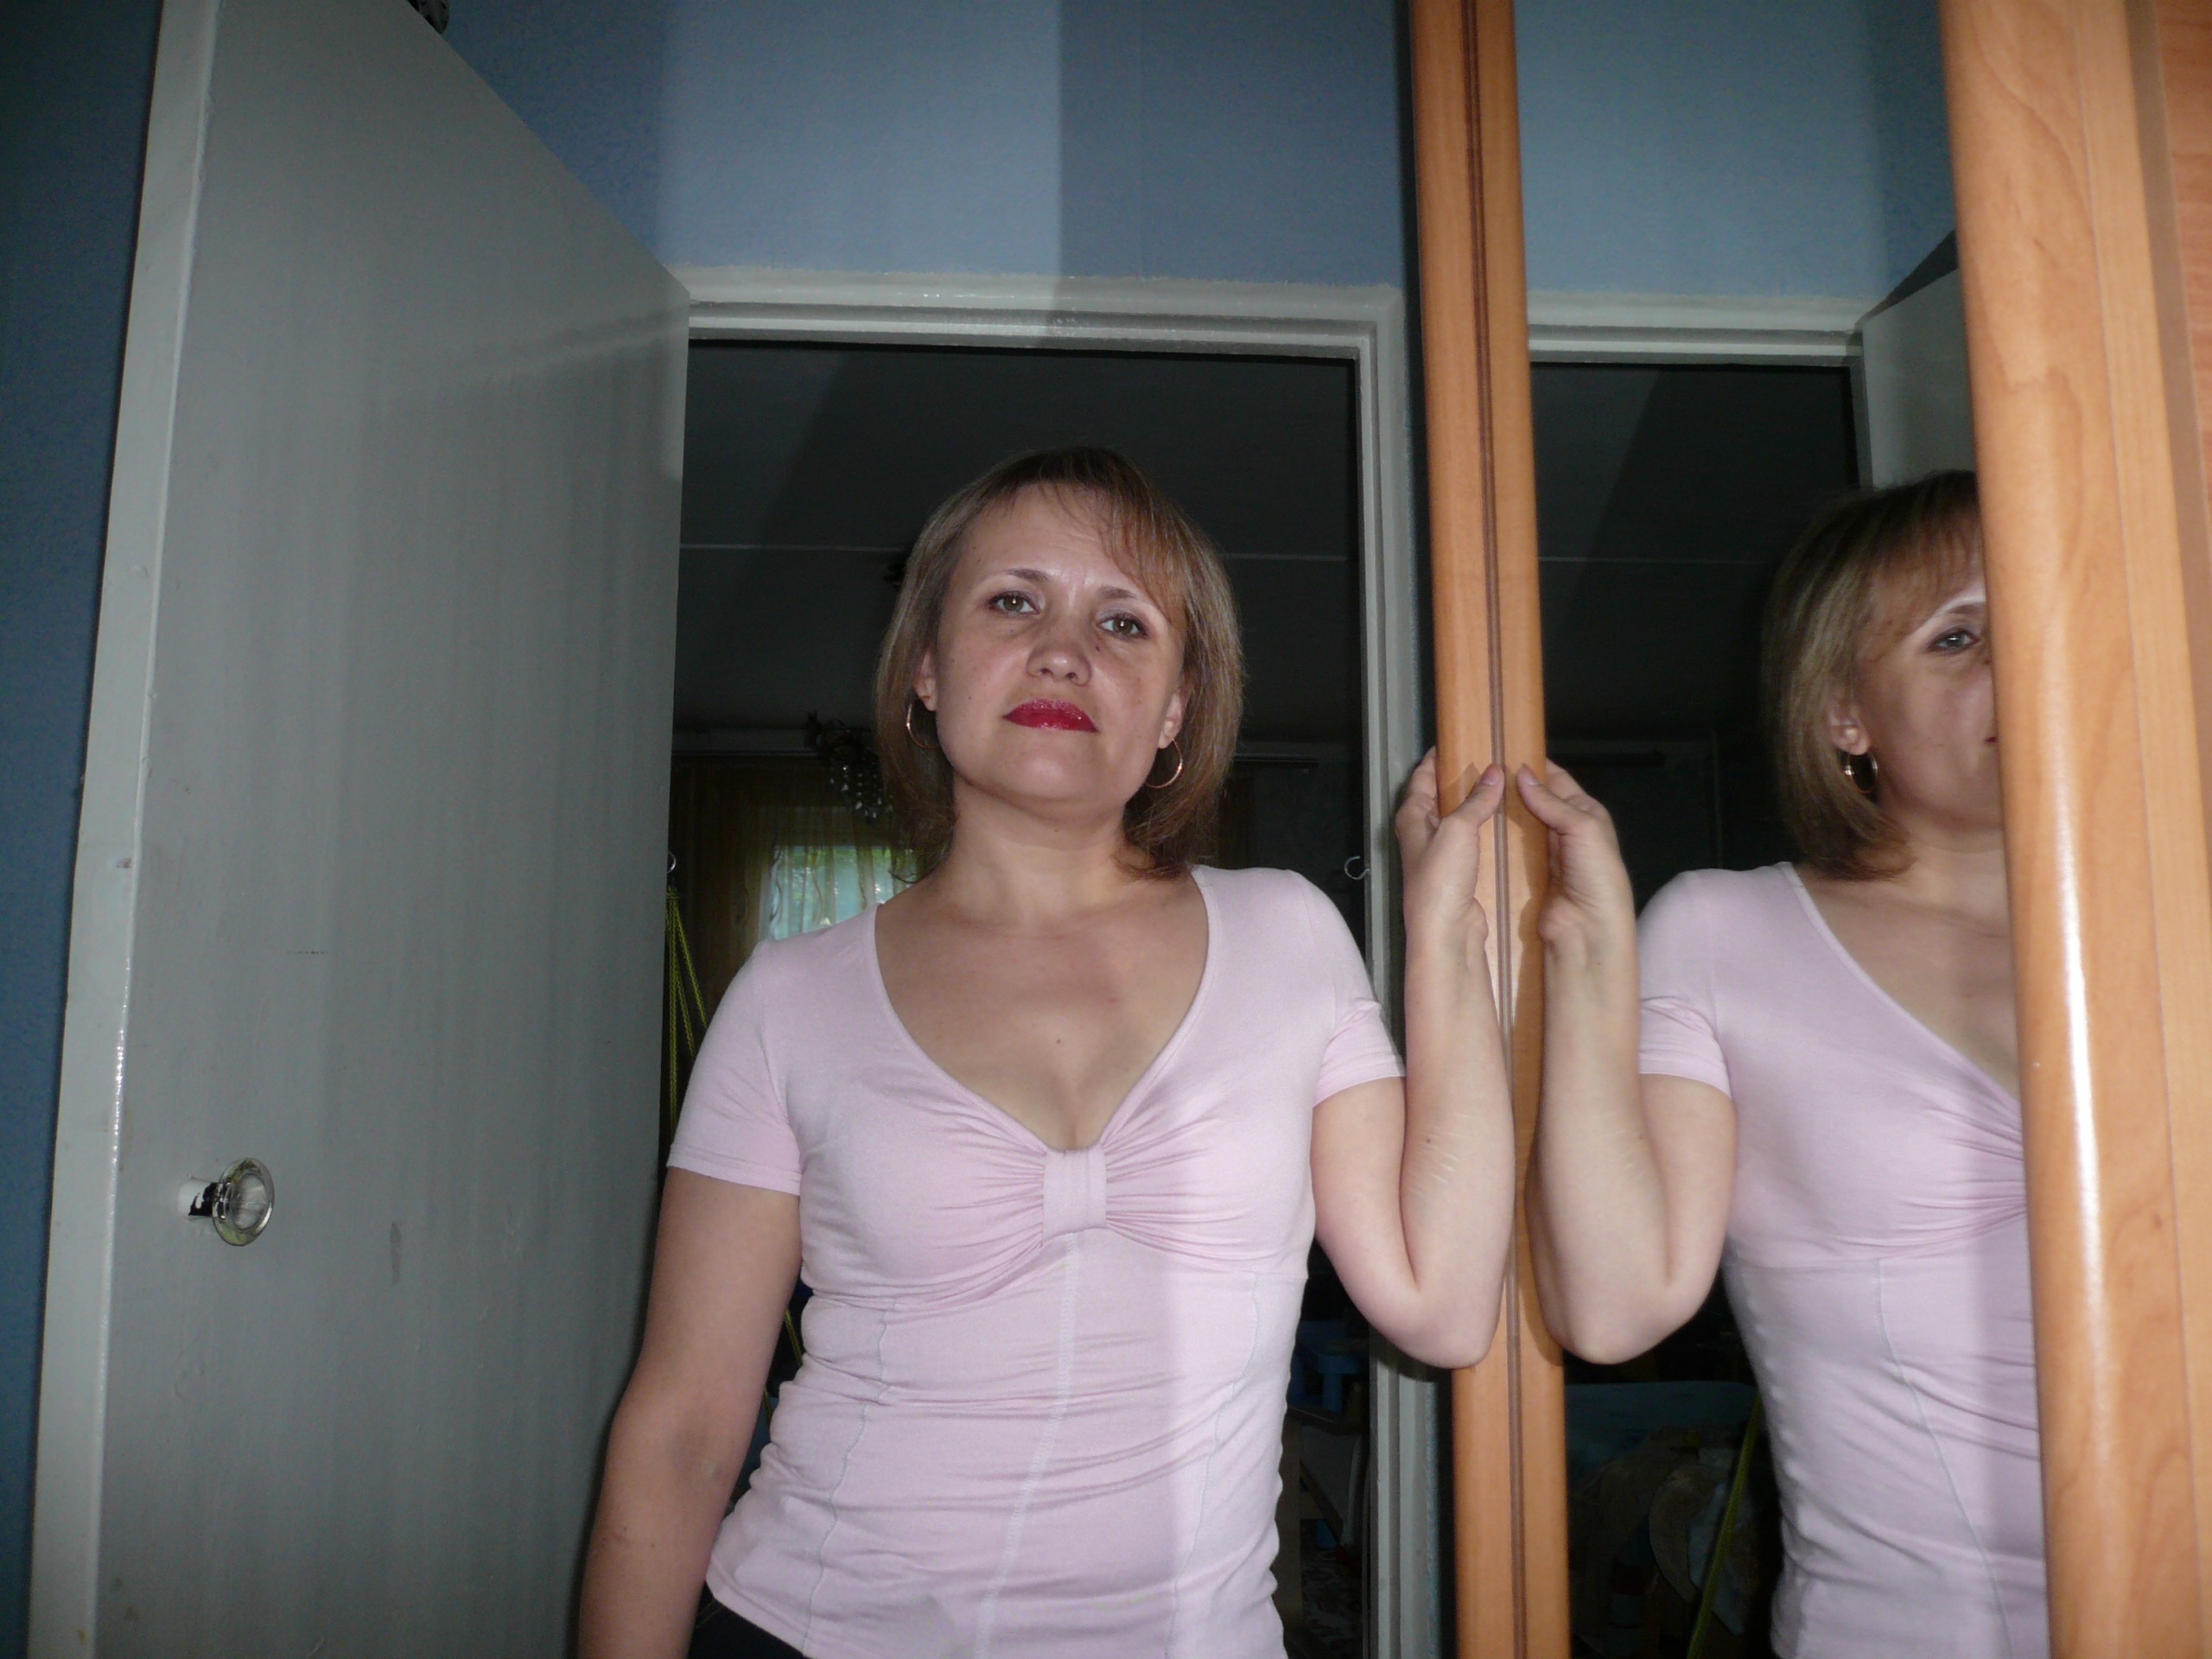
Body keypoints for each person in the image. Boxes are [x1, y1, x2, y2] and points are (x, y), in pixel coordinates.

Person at [578, 448, 1519, 1659]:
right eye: (1012, 601)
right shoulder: (789, 1000)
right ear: (927, 667)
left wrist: (1448, 939)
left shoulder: (1288, 937)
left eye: (1123, 622)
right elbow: (683, 1429)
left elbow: (1443, 1307)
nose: (1063, 651)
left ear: (1175, 709)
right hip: (808, 1626)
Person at [1520, 471, 2046, 1658]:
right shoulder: (1730, 932)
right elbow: (1613, 1308)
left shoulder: (2165, 935)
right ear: (1845, 715)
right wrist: (1593, 970)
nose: (2018, 666)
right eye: (1957, 637)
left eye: (2039, 622)